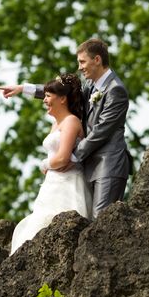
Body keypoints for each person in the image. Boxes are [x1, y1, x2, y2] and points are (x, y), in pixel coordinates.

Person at [0, 38, 132, 219]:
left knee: (102, 222)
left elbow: (102, 131)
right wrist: (24, 88)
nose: (80, 67)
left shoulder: (116, 90)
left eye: (82, 62)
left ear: (97, 60)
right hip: (88, 166)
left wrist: (72, 156)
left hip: (108, 166)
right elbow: (63, 93)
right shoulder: (90, 86)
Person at [9, 73, 89, 255]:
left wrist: (44, 164)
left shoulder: (71, 121)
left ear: (62, 99)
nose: (44, 100)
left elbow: (62, 158)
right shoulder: (56, 123)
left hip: (67, 184)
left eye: (48, 96)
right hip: (52, 184)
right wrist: (22, 88)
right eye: (44, 95)